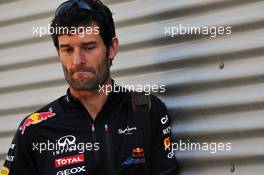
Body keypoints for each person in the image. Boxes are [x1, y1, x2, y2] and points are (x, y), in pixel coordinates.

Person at [0, 0, 178, 174]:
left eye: (89, 47)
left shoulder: (146, 111)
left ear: (112, 48)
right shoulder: (34, 129)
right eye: (67, 49)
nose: (77, 61)